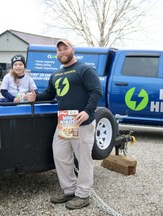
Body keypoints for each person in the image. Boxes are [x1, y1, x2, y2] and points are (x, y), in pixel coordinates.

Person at [26, 39, 102, 210]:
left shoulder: (84, 69)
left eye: (65, 48)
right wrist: (35, 97)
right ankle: (69, 189)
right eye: (59, 50)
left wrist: (88, 111)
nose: (62, 52)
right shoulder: (56, 75)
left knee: (84, 159)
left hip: (82, 122)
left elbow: (96, 91)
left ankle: (83, 195)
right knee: (61, 155)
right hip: (65, 122)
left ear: (72, 50)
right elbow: (49, 93)